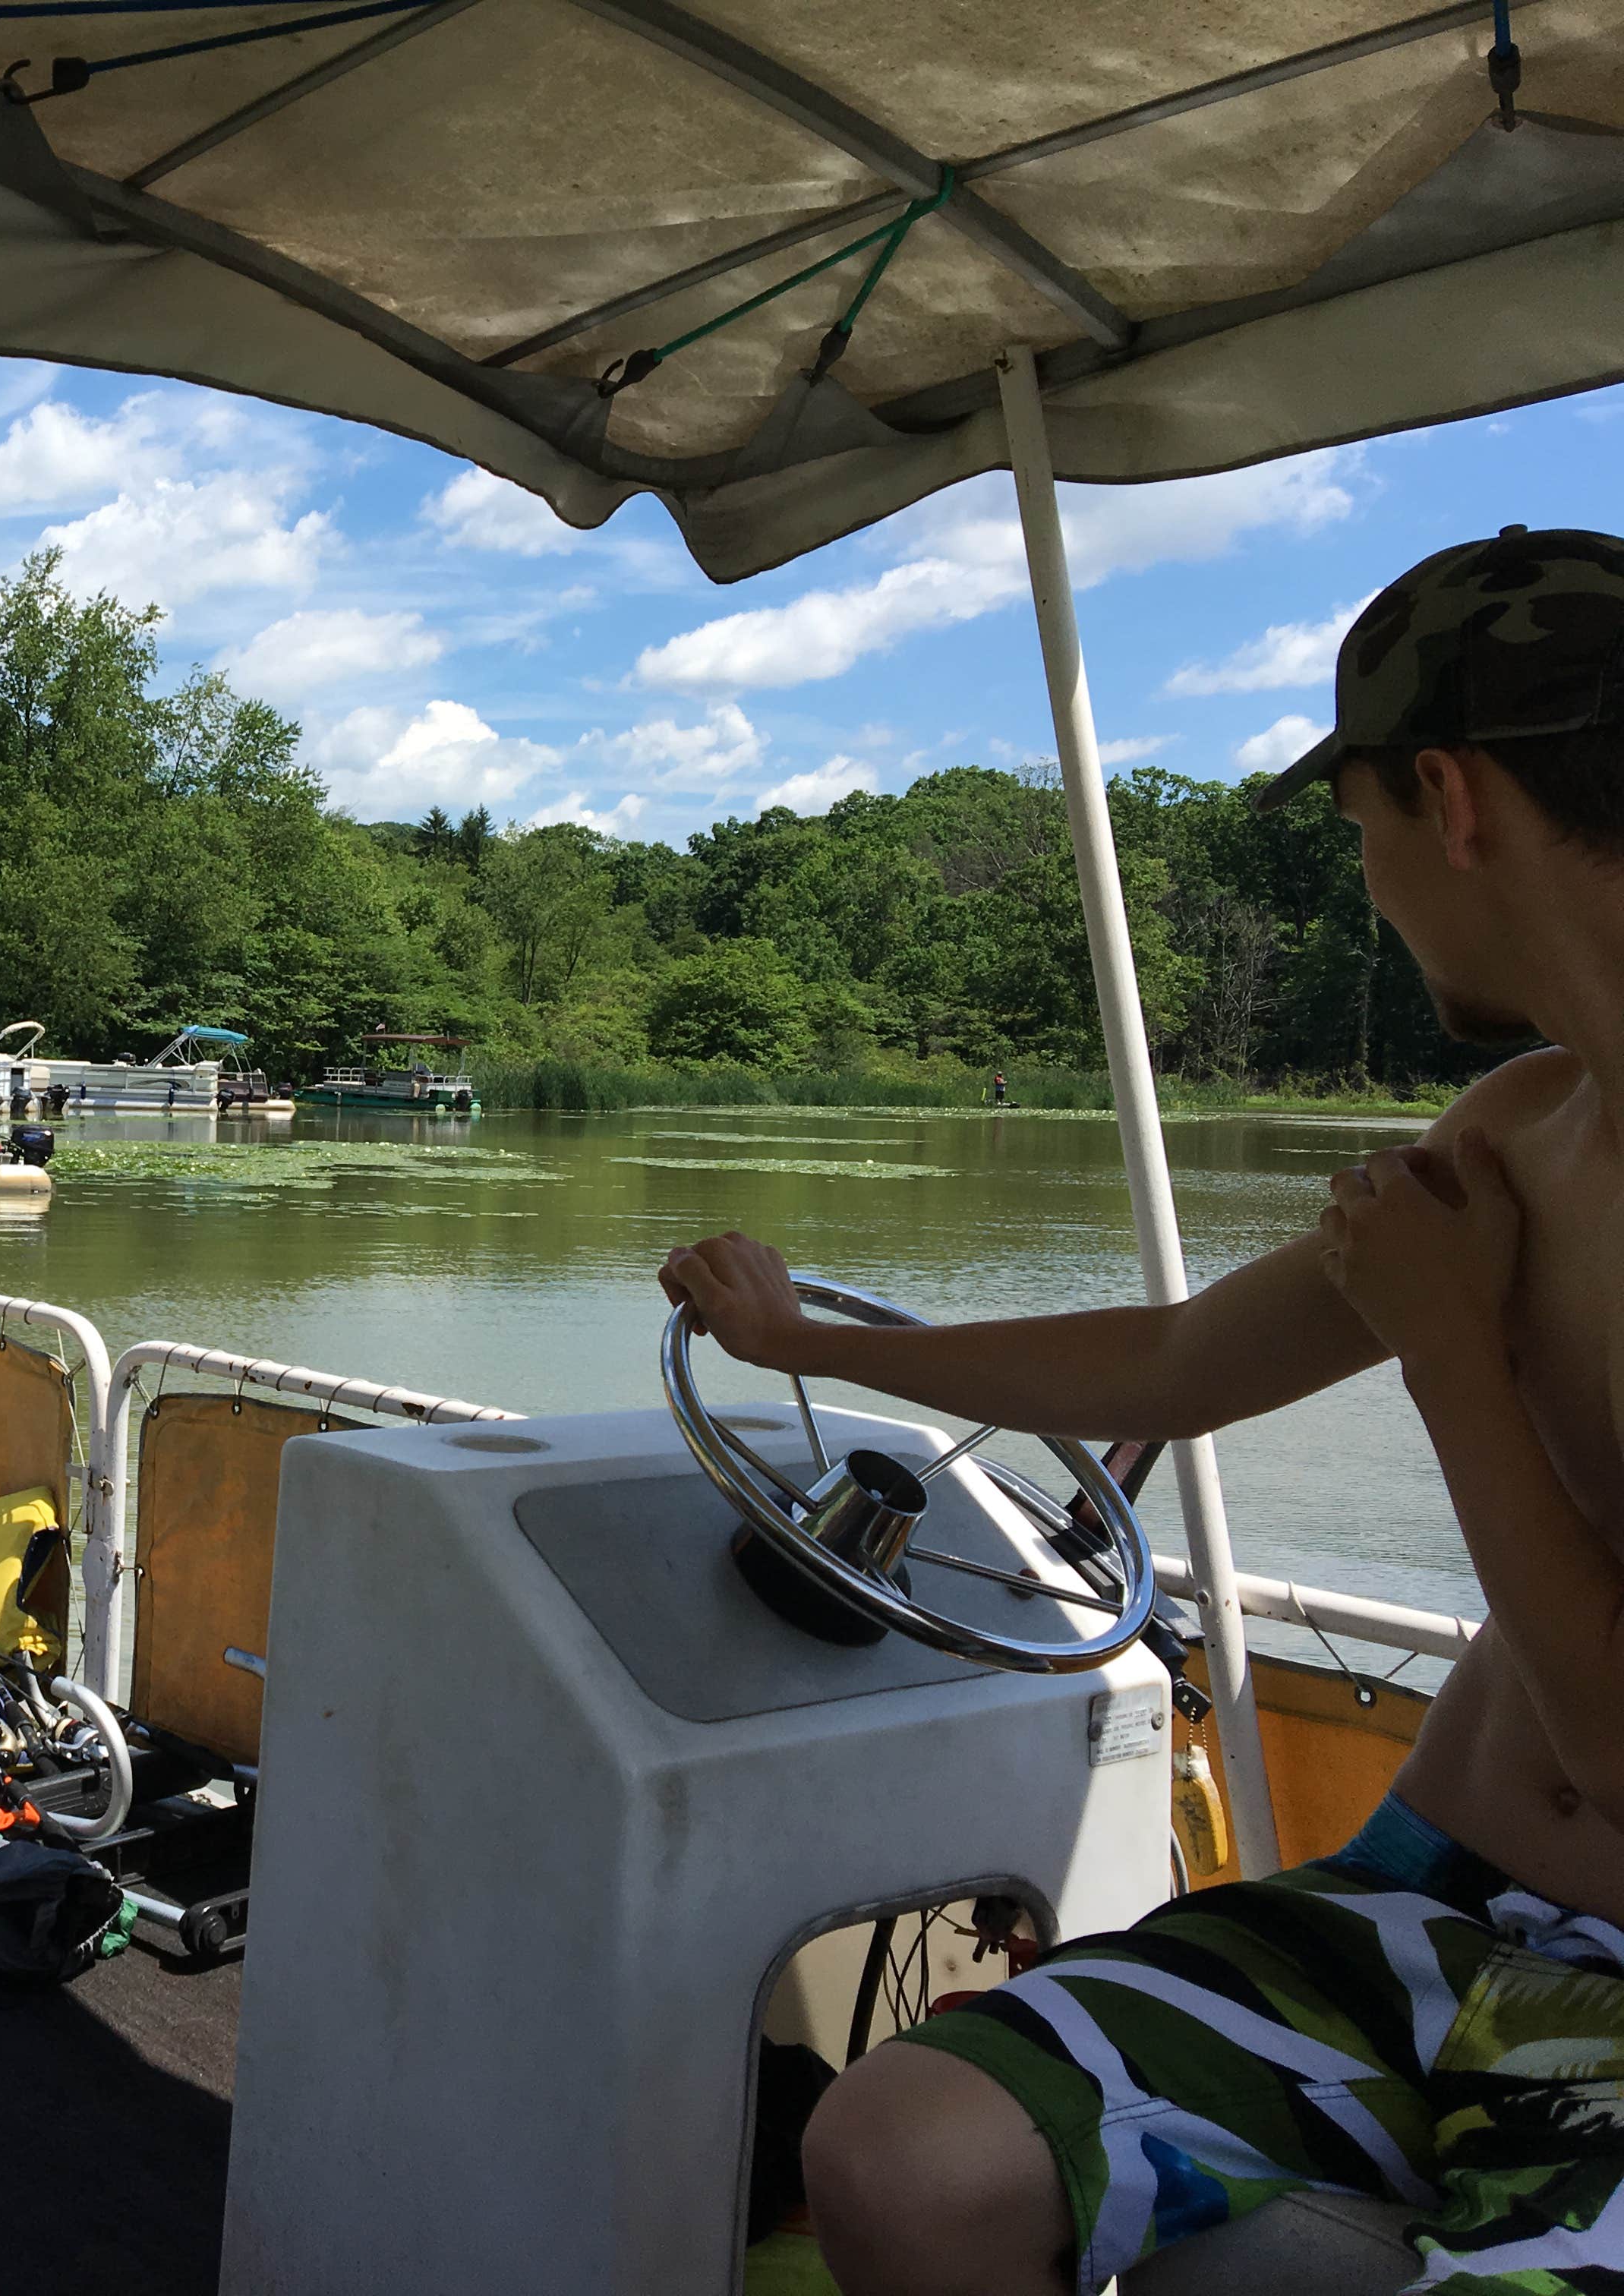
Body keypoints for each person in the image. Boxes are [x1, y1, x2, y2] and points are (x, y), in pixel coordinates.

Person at [661, 528, 1624, 2296]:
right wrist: (815, 1350)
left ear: (1449, 796)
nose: (1372, 885)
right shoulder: (1521, 1128)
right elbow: (1180, 1364)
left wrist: (1448, 1358)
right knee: (898, 2151)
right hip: (1434, 1902)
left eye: (1360, 832)